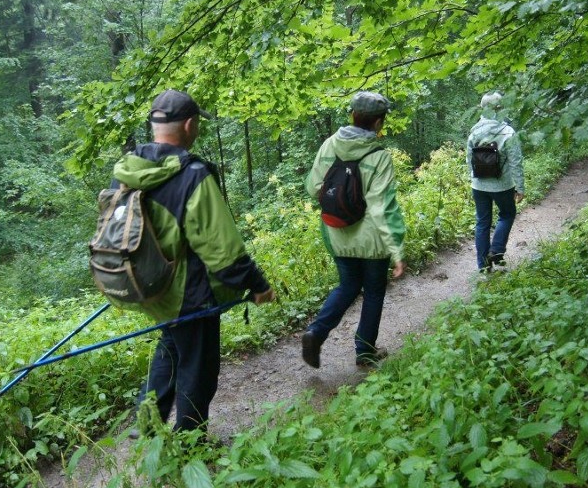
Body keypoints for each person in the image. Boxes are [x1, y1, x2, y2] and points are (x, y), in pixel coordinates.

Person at [111, 88, 275, 435]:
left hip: (154, 287)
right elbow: (223, 251)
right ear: (189, 124)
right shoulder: (192, 175)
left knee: (170, 350)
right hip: (188, 294)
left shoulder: (128, 170)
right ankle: (190, 442)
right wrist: (257, 284)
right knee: (198, 370)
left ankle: (146, 425)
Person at [301, 91, 406, 369]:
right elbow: (382, 207)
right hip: (372, 240)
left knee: (348, 285)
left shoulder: (329, 145)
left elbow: (313, 187)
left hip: (337, 233)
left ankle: (316, 332)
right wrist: (396, 249)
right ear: (378, 122)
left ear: (352, 115)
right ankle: (365, 352)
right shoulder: (379, 156)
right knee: (373, 292)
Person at [466, 91, 525, 272]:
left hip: (479, 185)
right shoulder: (508, 132)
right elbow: (516, 161)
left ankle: (483, 266)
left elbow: (469, 159)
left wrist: (474, 180)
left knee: (482, 222)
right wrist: (520, 187)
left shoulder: (474, 132)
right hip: (502, 185)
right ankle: (497, 250)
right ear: (500, 108)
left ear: (482, 108)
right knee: (507, 214)